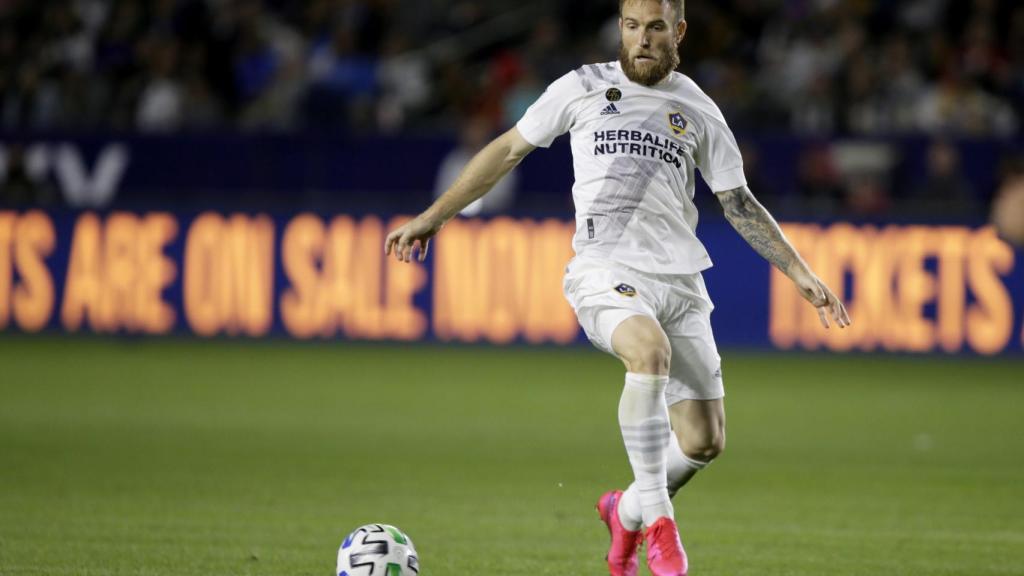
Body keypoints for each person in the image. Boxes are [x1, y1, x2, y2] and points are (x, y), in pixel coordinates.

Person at [384, 1, 851, 575]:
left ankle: (625, 510)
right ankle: (660, 524)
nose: (643, 40)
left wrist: (801, 272)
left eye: (656, 28)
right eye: (632, 27)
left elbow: (738, 202)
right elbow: (508, 149)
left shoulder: (698, 108)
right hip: (604, 270)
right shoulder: (581, 87)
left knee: (704, 441)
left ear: (678, 31)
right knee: (647, 352)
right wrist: (433, 216)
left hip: (680, 283)